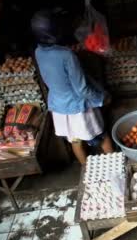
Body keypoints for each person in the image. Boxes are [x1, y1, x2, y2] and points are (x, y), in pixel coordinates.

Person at [31, 9, 113, 164]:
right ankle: (118, 168)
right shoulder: (66, 55)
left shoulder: (38, 52)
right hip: (78, 108)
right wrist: (102, 98)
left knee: (75, 142)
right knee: (102, 137)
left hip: (59, 108)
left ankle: (87, 172)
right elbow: (82, 89)